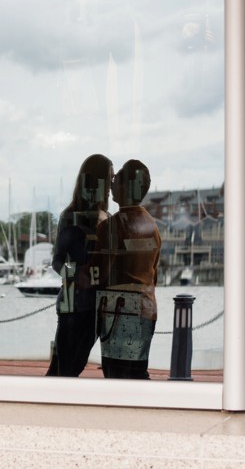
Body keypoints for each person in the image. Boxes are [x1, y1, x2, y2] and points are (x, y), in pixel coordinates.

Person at [93, 159, 161, 379]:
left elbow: (99, 273)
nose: (111, 185)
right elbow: (154, 272)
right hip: (146, 308)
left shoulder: (112, 226)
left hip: (117, 311)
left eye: (116, 180)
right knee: (137, 373)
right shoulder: (151, 225)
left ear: (126, 187)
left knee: (116, 375)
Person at [45, 154, 112, 377]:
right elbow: (57, 261)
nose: (112, 185)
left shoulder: (107, 218)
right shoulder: (70, 217)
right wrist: (77, 274)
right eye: (109, 179)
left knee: (71, 368)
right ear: (97, 182)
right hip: (73, 308)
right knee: (63, 370)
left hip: (95, 309)